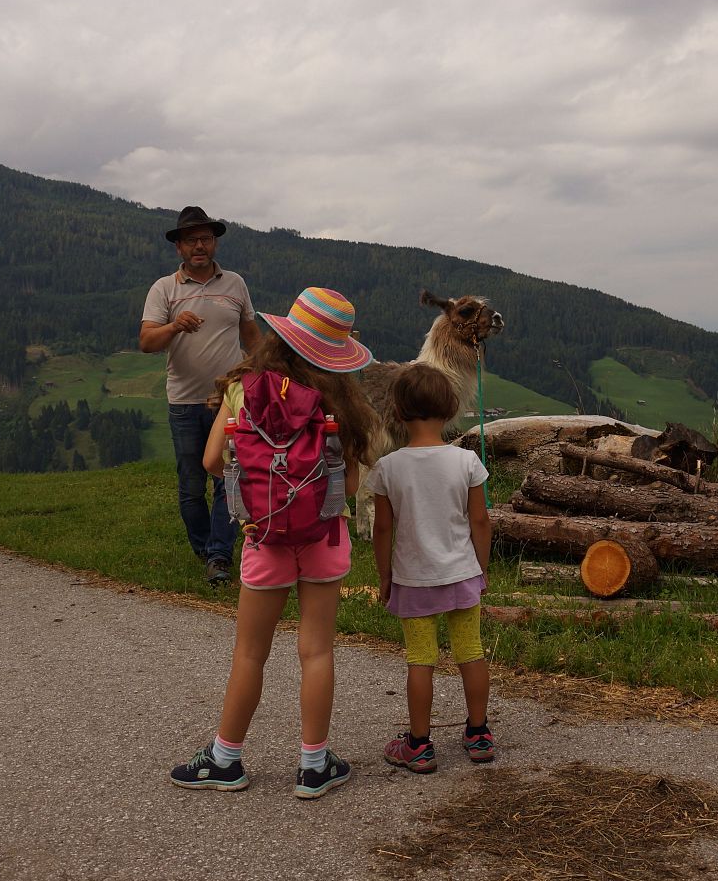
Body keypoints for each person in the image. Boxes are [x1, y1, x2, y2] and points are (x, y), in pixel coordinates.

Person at [169, 287, 378, 800]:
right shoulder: (341, 400)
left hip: (263, 537)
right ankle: (313, 765)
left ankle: (225, 759)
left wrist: (260, 484)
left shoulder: (244, 386)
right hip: (324, 537)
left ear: (283, 335)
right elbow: (348, 486)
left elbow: (212, 461)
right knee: (316, 651)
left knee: (250, 653)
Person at [366, 364, 494, 774]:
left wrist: (385, 574)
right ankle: (478, 734)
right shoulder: (466, 461)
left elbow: (383, 527)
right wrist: (482, 568)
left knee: (420, 659)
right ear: (450, 409)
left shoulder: (388, 467)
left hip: (414, 578)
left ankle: (419, 746)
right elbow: (480, 521)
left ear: (398, 413)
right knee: (470, 652)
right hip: (461, 573)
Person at [140, 206, 259, 584]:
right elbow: (146, 342)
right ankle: (205, 548)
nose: (199, 246)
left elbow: (251, 335)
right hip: (185, 403)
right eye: (191, 240)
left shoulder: (235, 284)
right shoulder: (165, 289)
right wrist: (175, 325)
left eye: (205, 238)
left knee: (228, 477)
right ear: (179, 248)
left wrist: (265, 371)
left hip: (228, 400)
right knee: (191, 486)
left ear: (215, 242)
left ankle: (220, 557)